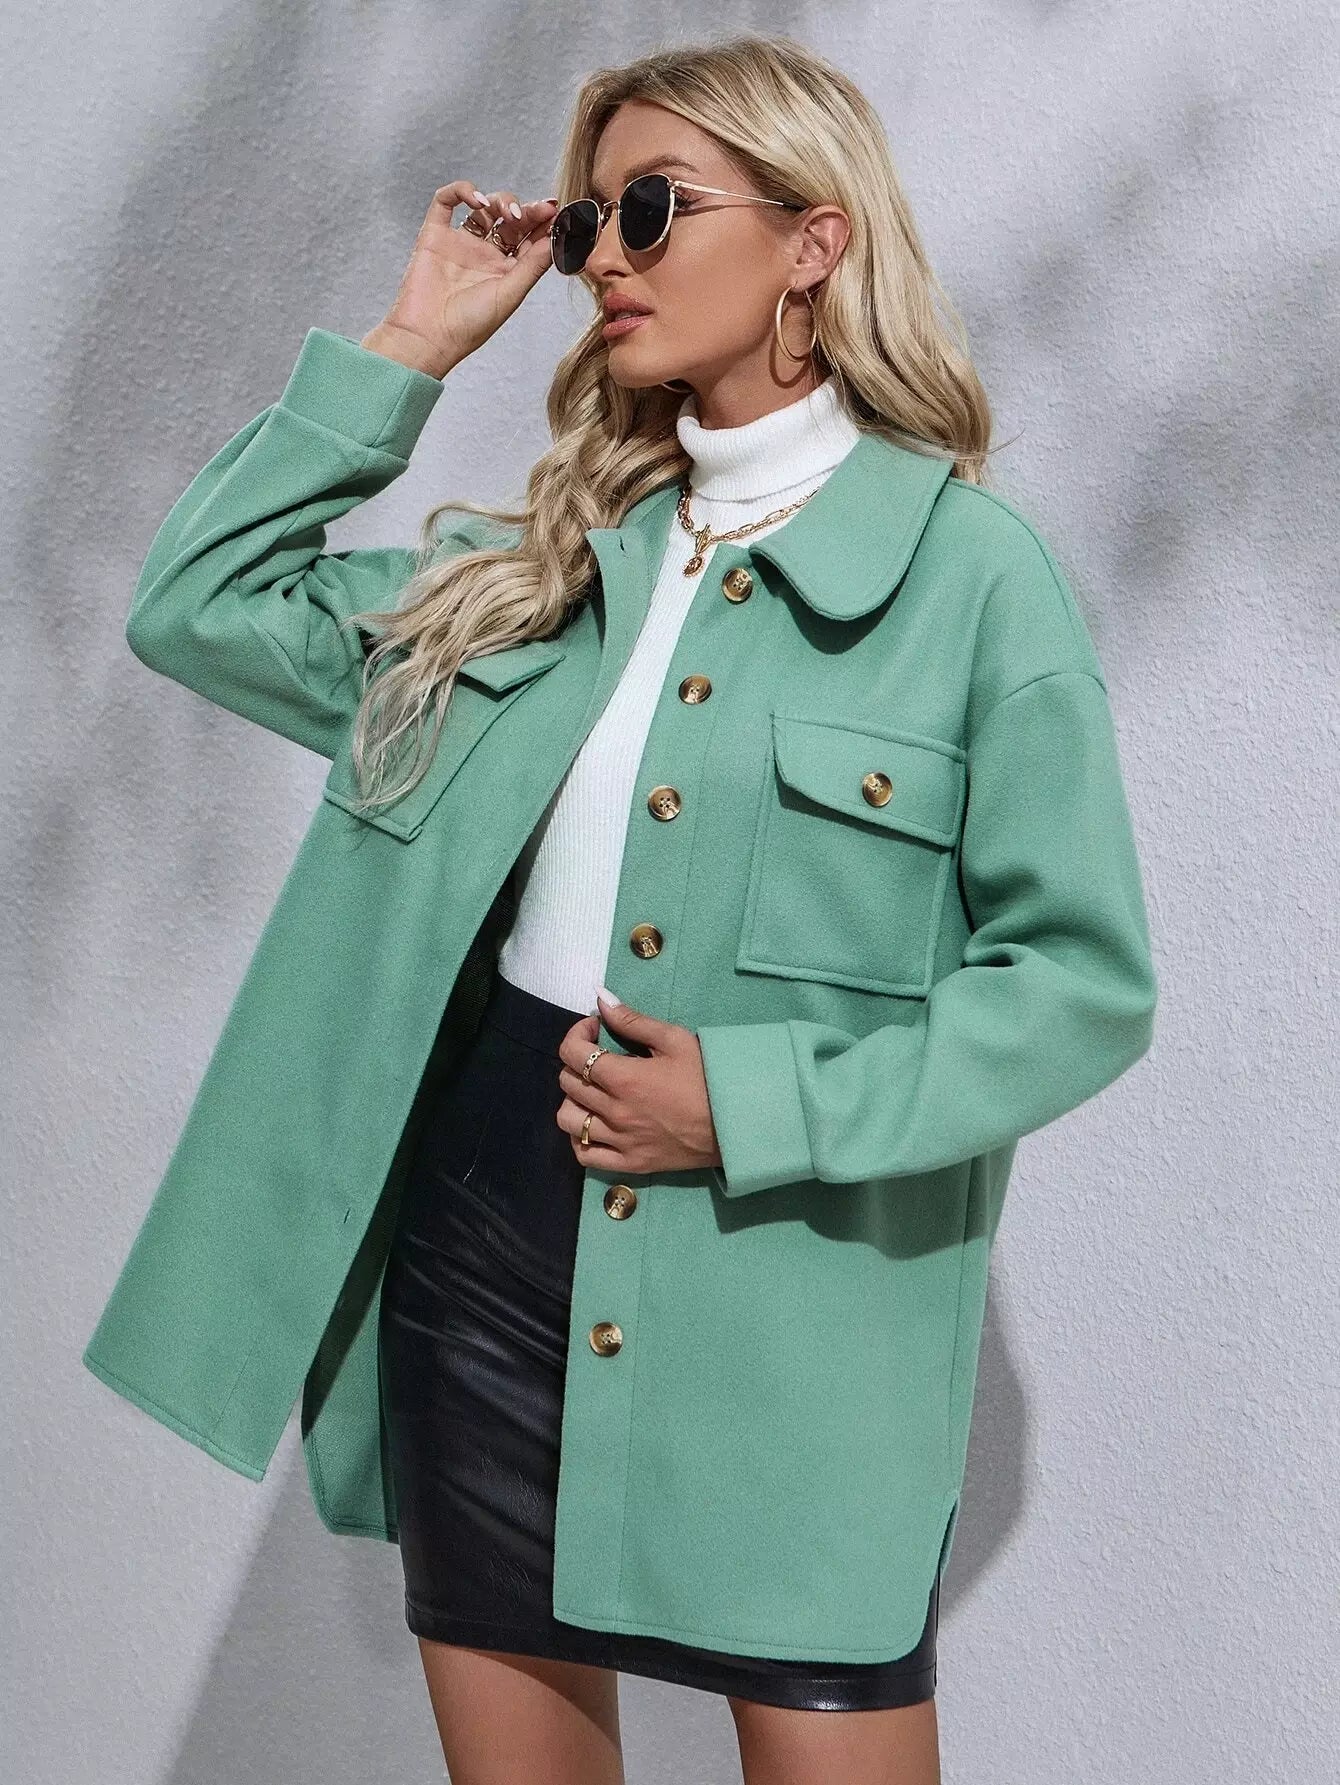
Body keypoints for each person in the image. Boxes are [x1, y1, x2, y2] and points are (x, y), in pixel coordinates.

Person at [85, 32, 1157, 1785]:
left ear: (814, 238)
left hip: (797, 1308)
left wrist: (750, 1101)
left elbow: (1079, 986)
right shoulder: (530, 581)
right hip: (483, 1263)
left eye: (649, 210)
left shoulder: (974, 583)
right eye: (589, 224)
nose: (602, 260)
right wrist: (418, 338)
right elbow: (197, 604)